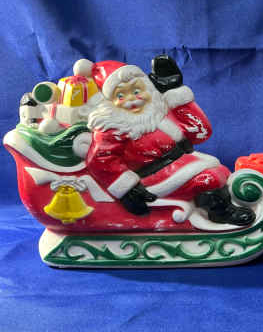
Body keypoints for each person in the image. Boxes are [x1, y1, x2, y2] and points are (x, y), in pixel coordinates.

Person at [79, 56, 254, 226]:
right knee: (210, 179)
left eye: (137, 91)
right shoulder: (113, 127)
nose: (132, 99)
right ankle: (220, 214)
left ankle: (212, 210)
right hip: (153, 177)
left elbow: (200, 133)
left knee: (221, 172)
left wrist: (175, 91)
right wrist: (126, 189)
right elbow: (100, 159)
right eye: (121, 96)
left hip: (183, 163)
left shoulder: (158, 112)